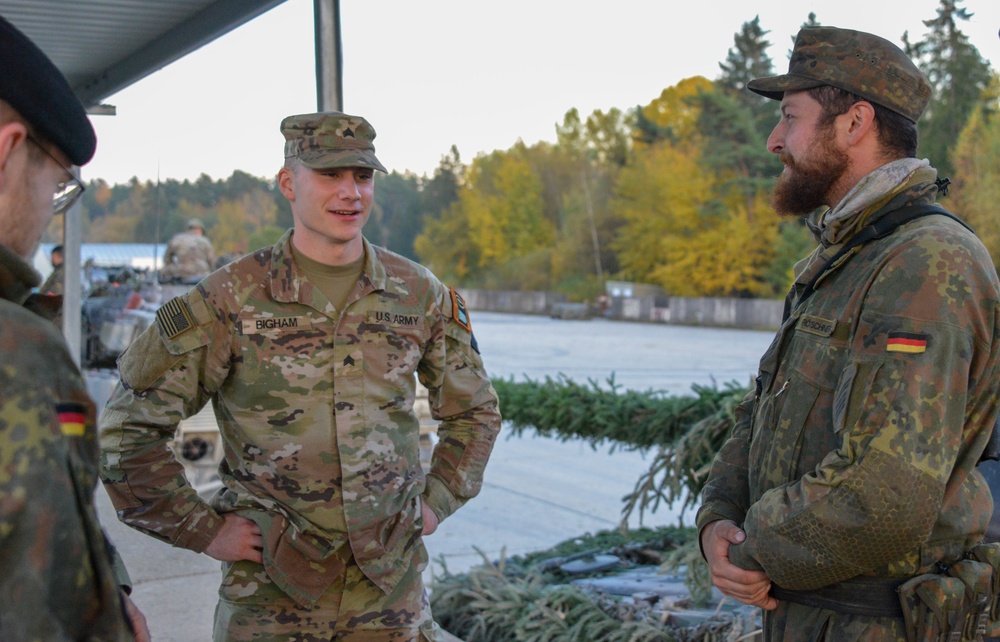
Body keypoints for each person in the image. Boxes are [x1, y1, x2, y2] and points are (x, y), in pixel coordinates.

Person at [100, 110, 502, 640]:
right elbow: (127, 433)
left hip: (389, 594)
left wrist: (436, 502)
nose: (351, 193)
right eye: (330, 175)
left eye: (362, 176)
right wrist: (205, 530)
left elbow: (475, 412)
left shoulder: (418, 293)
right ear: (289, 183)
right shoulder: (230, 298)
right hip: (271, 597)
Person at [695, 26, 1000, 641]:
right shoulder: (847, 255)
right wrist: (717, 522)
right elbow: (763, 412)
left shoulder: (926, 262)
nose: (775, 140)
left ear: (855, 122)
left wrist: (754, 547)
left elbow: (885, 493)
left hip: (879, 622)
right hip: (812, 615)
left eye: (790, 117)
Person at [0, 15, 149, 641]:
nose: (46, 215)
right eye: (57, 184)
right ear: (7, 150)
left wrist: (106, 578)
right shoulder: (18, 352)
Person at [160, 216, 216, 281]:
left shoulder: (177, 239)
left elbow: (167, 259)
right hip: (201, 273)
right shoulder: (205, 241)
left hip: (180, 273)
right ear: (199, 230)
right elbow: (212, 262)